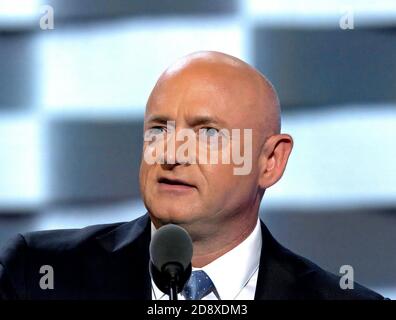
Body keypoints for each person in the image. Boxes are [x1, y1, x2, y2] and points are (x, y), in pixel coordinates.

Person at [0, 51, 384, 300]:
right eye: (159, 129)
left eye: (208, 133)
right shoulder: (33, 275)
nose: (171, 153)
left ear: (270, 162)